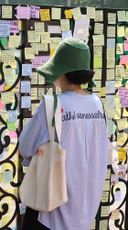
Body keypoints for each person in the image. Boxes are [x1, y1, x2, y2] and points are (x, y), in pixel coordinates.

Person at [19, 38, 109, 230]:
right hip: (85, 209)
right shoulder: (97, 104)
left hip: (50, 209)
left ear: (62, 71)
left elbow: (25, 147)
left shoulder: (53, 105)